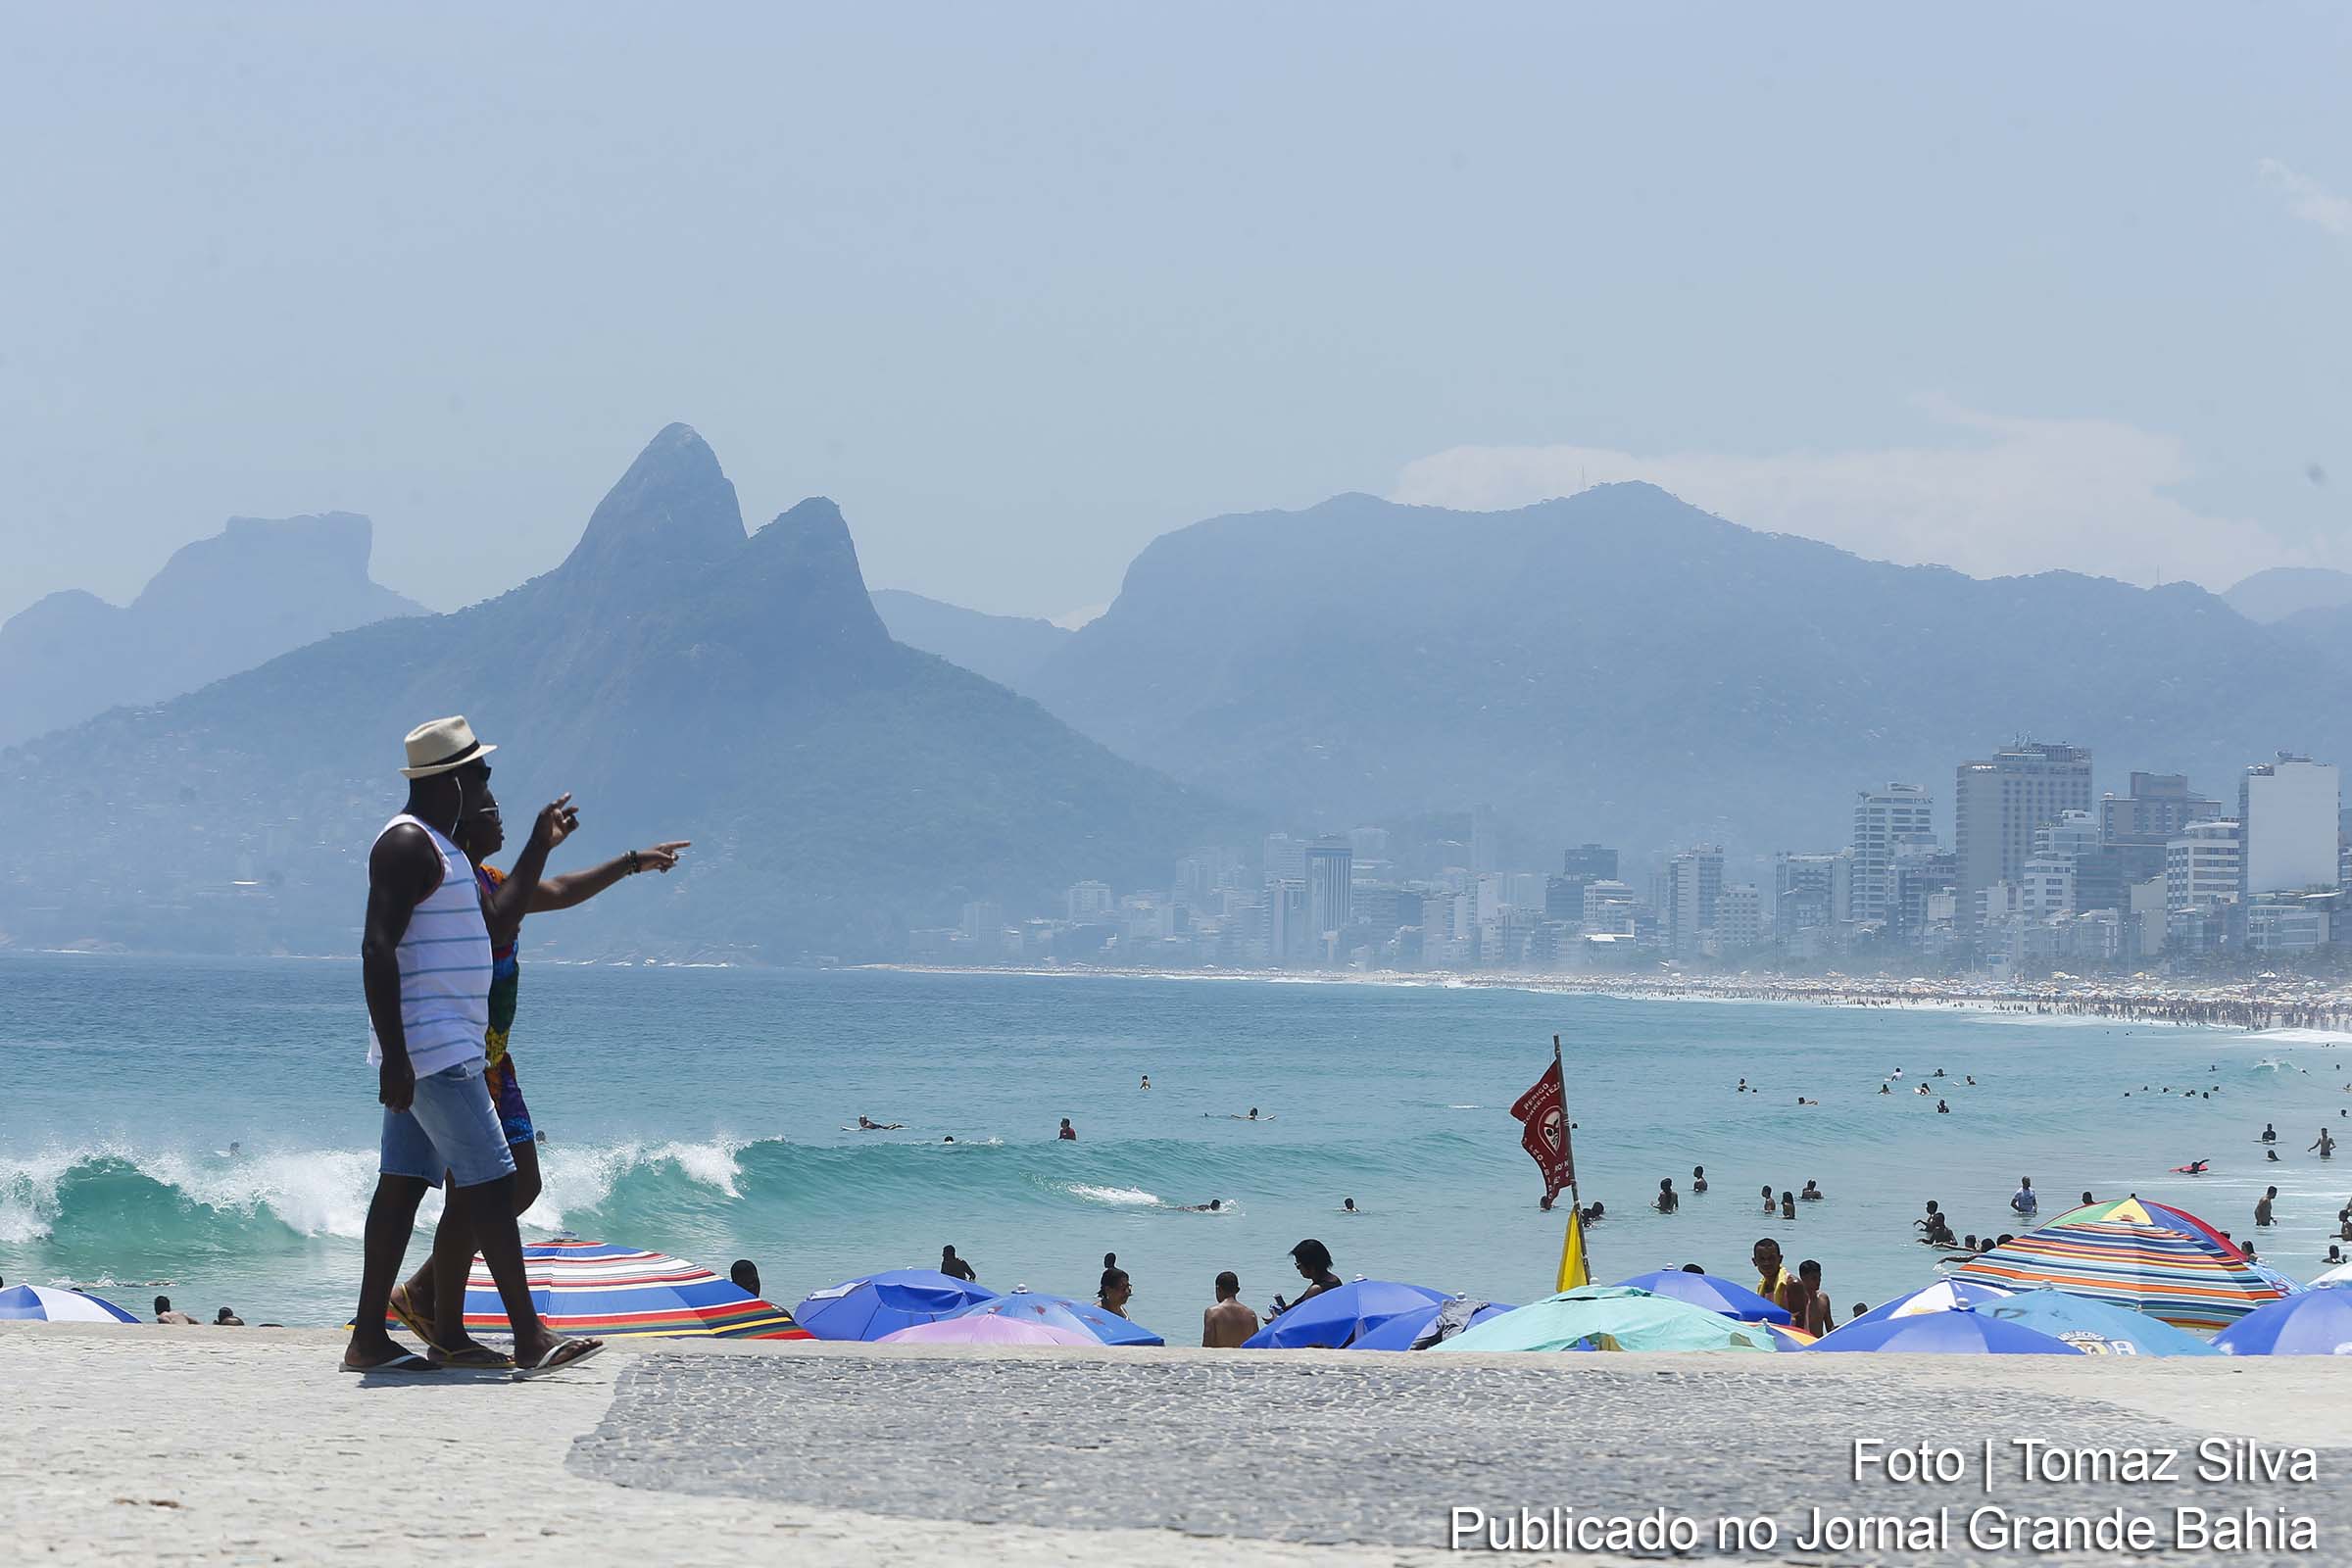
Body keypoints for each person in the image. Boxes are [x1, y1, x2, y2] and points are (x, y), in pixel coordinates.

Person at [341, 716, 600, 1377]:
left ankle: (372, 1338)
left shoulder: (444, 852)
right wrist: (396, 1055)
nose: (487, 783)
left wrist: (541, 845)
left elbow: (494, 919)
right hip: (431, 1052)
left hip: (442, 1048)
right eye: (479, 773)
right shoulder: (404, 845)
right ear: (450, 781)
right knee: (494, 1182)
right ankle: (531, 1337)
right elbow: (377, 947)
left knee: (401, 1188)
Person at [392, 779, 687, 1340]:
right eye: (490, 812)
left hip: (495, 1062)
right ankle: (444, 1320)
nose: (500, 820)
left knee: (517, 1184)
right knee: (482, 1189)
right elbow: (504, 917)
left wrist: (630, 862)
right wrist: (544, 845)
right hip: (460, 1059)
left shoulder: (495, 881)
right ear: (462, 825)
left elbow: (559, 888)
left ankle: (425, 1296)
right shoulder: (456, 890)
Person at [1270, 1239, 1342, 1316]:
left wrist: (1276, 1320)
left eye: (1298, 1265)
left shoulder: (1316, 1290)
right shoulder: (1335, 1280)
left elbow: (1300, 1318)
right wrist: (1288, 1308)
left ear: (1311, 1266)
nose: (1298, 1269)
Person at [1202, 1271, 1258, 1348]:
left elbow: (1207, 1345)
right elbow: (1256, 1344)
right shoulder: (1251, 1315)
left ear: (1218, 1288)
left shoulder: (1212, 1313)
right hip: (1244, 1358)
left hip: (1220, 1358)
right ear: (1237, 1290)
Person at [1750, 1238, 1794, 1315]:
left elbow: (1800, 1324)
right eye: (1762, 1259)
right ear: (1755, 1262)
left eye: (1771, 1258)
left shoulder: (1792, 1284)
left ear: (1780, 1259)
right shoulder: (1761, 1288)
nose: (1767, 1263)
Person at [1794, 1259, 1834, 1337]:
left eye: (1819, 1277)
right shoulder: (1796, 1300)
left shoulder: (1823, 1299)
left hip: (1819, 1345)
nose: (1818, 1281)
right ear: (1803, 1278)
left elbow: (1830, 1327)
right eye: (1814, 1278)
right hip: (1802, 1344)